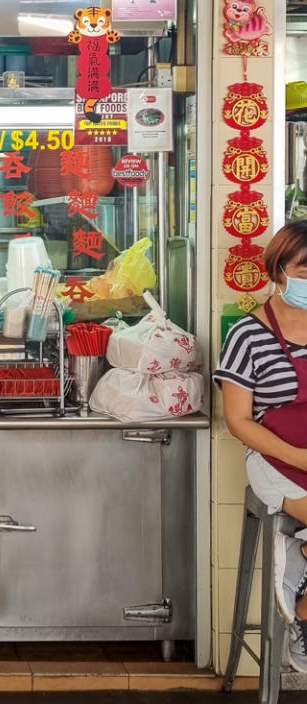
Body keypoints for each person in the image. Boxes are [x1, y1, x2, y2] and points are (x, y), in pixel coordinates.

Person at [216, 221, 307, 672]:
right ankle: (302, 622)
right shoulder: (248, 335)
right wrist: (297, 457)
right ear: (278, 270)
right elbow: (237, 421)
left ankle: (302, 569)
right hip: (277, 459)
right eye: (305, 270)